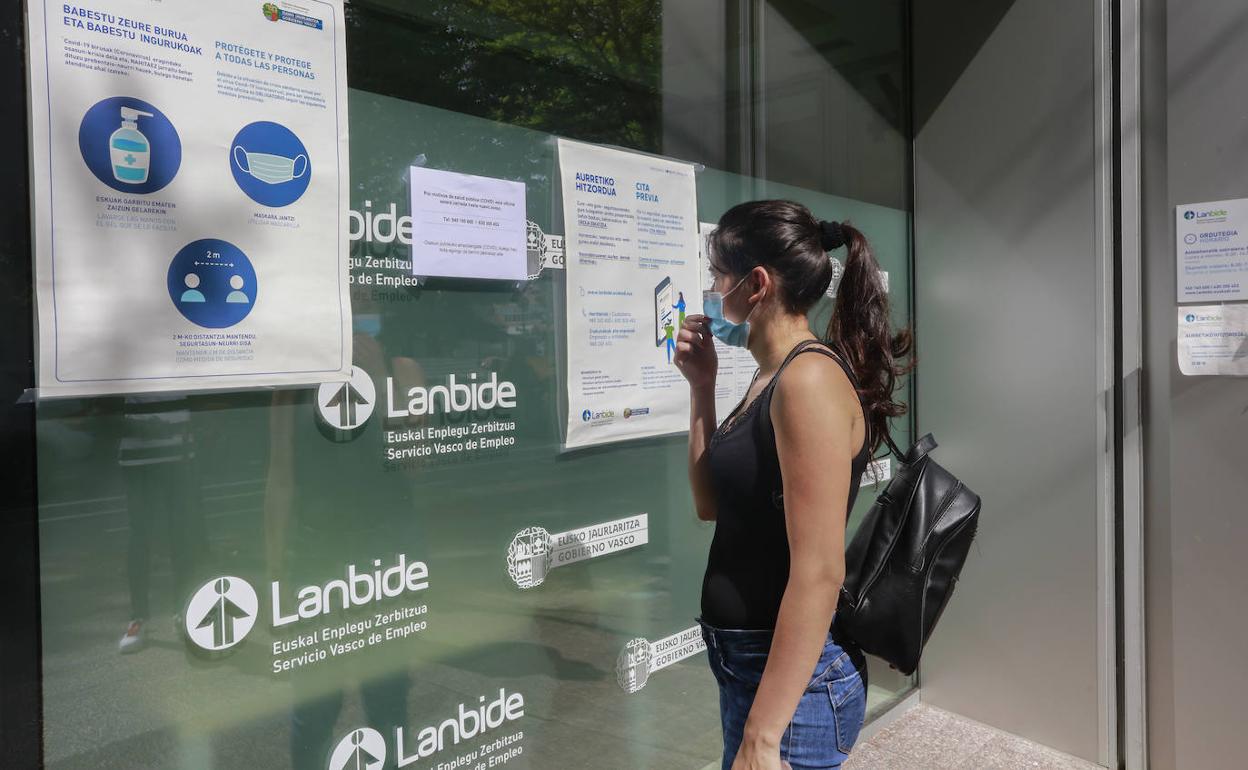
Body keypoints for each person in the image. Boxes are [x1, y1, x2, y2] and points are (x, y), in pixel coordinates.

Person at [675, 200, 913, 770]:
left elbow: (819, 569)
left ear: (755, 284)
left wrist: (763, 734)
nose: (711, 290)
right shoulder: (768, 375)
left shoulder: (806, 379)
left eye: (717, 277)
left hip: (791, 690)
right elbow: (711, 504)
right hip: (752, 667)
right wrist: (701, 387)